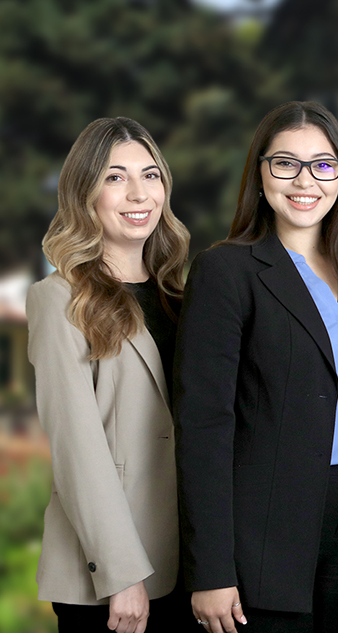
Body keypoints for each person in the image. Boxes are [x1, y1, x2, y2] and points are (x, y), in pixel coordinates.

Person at [174, 101, 338, 633]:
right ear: (260, 171)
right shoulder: (227, 271)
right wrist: (212, 570)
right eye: (285, 163)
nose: (305, 181)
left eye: (322, 164)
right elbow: (203, 427)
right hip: (265, 532)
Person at [27, 117, 192, 632]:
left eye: (151, 175)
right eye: (115, 177)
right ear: (85, 192)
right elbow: (78, 447)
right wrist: (122, 574)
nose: (139, 192)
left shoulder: (181, 297)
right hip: (113, 577)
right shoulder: (59, 301)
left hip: (186, 559)